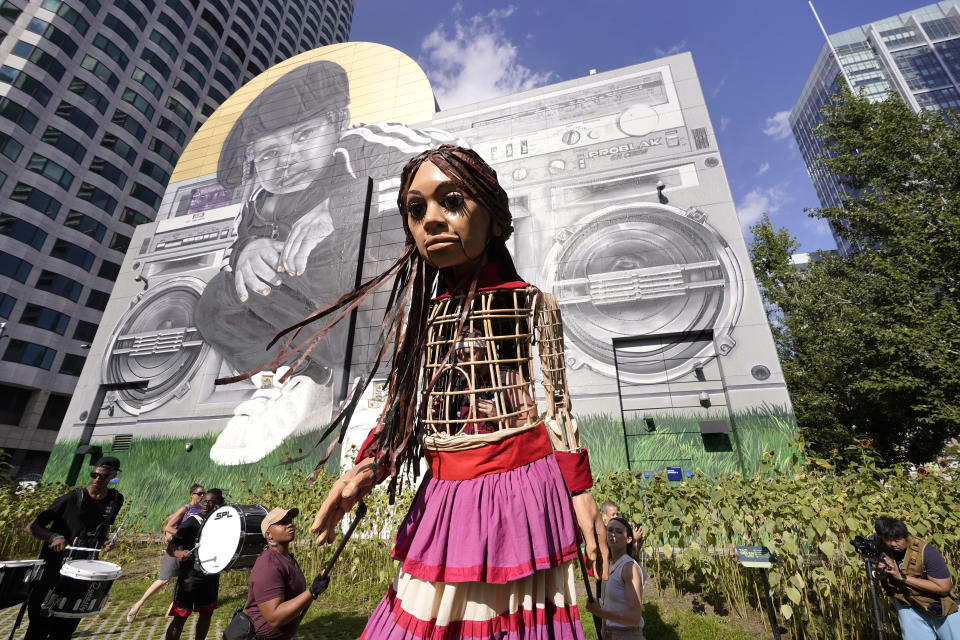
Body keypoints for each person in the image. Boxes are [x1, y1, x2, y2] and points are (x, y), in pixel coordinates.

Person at [277, 145, 608, 639]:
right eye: (417, 209)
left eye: (451, 201)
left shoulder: (533, 305)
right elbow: (406, 412)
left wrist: (580, 493)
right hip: (444, 495)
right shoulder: (421, 321)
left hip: (522, 490)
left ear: (495, 220)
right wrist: (363, 472)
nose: (431, 220)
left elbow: (556, 404)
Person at [196, 60, 455, 465]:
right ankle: (302, 379)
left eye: (303, 135)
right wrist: (247, 252)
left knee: (344, 246)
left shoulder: (368, 145)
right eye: (268, 153)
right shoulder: (259, 201)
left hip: (397, 319)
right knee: (219, 295)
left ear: (338, 122)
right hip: (327, 329)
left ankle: (389, 385)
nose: (286, 160)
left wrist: (341, 208)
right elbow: (240, 246)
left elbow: (451, 162)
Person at [23, 457, 124, 640]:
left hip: (84, 573)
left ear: (113, 476)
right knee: (38, 626)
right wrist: (53, 536)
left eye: (103, 476)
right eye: (94, 474)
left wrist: (105, 541)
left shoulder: (115, 499)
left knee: (65, 629)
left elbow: (105, 526)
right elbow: (32, 527)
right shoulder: (72, 498)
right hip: (54, 570)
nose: (97, 479)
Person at [126, 483, 204, 622]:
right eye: (199, 493)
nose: (202, 496)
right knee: (164, 579)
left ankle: (171, 611)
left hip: (191, 549)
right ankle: (138, 604)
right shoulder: (186, 508)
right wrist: (181, 535)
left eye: (204, 493)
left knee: (183, 579)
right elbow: (168, 526)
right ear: (192, 495)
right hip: (177, 547)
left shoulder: (202, 510)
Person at [873, 517, 960, 639]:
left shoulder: (927, 552)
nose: (892, 544)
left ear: (906, 536)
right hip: (908, 604)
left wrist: (902, 578)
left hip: (940, 606)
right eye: (888, 540)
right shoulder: (882, 549)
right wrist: (881, 575)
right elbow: (882, 580)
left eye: (897, 540)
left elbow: (944, 587)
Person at [245, 507, 317, 639]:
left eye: (290, 521)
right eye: (282, 523)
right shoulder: (268, 565)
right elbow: (274, 618)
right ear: (269, 535)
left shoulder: (287, 558)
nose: (290, 524)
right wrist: (311, 592)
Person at [164, 488, 225, 640]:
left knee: (206, 615)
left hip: (210, 577)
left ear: (219, 504)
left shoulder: (223, 523)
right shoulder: (193, 521)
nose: (206, 504)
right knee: (180, 618)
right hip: (190, 577)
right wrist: (178, 553)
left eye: (211, 502)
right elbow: (171, 546)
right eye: (205, 501)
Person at [586, 516, 648, 640]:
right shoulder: (610, 566)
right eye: (610, 530)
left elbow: (634, 617)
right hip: (610, 634)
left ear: (629, 539)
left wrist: (599, 612)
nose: (613, 534)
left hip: (627, 635)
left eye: (619, 532)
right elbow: (607, 603)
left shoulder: (628, 568)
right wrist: (604, 629)